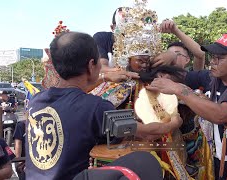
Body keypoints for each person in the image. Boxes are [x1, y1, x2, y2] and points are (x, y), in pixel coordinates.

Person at [25, 31, 166, 180]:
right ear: (92, 65)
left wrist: (104, 77)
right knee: (144, 162)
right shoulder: (97, 107)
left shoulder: (36, 100)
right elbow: (148, 133)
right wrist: (175, 119)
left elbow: (72, 94)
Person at [147, 32, 227, 179]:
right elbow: (179, 76)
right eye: (212, 57)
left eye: (219, 58)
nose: (213, 62)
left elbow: (220, 114)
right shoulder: (211, 77)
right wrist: (170, 58)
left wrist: (178, 89)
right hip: (214, 158)